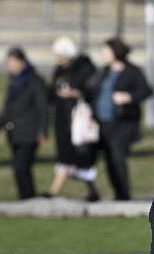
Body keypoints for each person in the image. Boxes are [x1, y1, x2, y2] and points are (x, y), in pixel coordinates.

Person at [85, 37, 153, 200]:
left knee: (117, 155)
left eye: (106, 51)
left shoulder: (132, 71)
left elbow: (146, 90)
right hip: (103, 122)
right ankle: (116, 192)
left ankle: (123, 194)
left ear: (116, 52)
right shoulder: (104, 71)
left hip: (123, 122)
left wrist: (128, 97)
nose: (103, 54)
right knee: (108, 157)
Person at [0, 47, 48, 200]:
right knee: (19, 169)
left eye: (12, 62)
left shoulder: (35, 81)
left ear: (22, 62)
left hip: (30, 133)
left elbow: (43, 108)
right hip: (15, 134)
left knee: (22, 167)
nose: (10, 66)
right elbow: (8, 109)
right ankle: (25, 199)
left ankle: (29, 199)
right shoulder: (13, 82)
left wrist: (43, 131)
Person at [47, 36, 100, 201]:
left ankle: (54, 192)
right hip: (63, 119)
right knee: (67, 155)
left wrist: (76, 93)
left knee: (77, 156)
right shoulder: (59, 70)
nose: (59, 60)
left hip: (79, 120)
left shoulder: (84, 69)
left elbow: (91, 91)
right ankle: (57, 191)